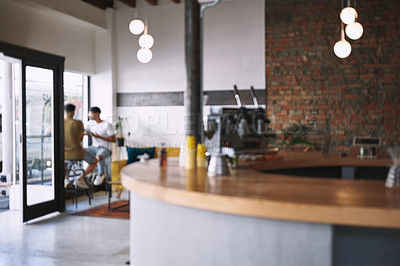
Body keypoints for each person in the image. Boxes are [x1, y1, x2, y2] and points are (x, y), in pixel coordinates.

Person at [64, 104, 98, 189]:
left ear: (65, 112)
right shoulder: (78, 123)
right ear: (74, 112)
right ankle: (79, 179)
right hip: (77, 152)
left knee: (66, 162)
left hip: (64, 153)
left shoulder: (60, 123)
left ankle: (66, 179)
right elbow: (80, 139)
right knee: (94, 161)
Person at [85, 106, 115, 186]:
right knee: (82, 152)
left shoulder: (107, 125)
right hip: (94, 147)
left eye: (90, 113)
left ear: (97, 114)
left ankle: (101, 174)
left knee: (98, 156)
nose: (89, 115)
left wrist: (99, 137)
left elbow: (113, 139)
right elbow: (83, 131)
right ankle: (85, 173)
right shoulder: (90, 123)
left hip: (105, 148)